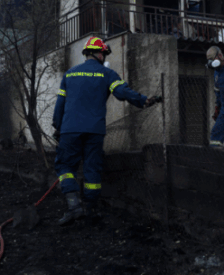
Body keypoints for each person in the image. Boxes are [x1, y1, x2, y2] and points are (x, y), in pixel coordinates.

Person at [52, 36, 156, 225]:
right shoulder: (107, 74)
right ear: (99, 54)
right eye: (104, 53)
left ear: (87, 53)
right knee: (92, 168)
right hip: (94, 130)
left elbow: (60, 105)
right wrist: (144, 100)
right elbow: (122, 92)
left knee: (65, 167)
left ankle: (74, 207)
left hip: (70, 129)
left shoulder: (69, 75)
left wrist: (58, 127)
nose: (104, 56)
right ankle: (91, 209)